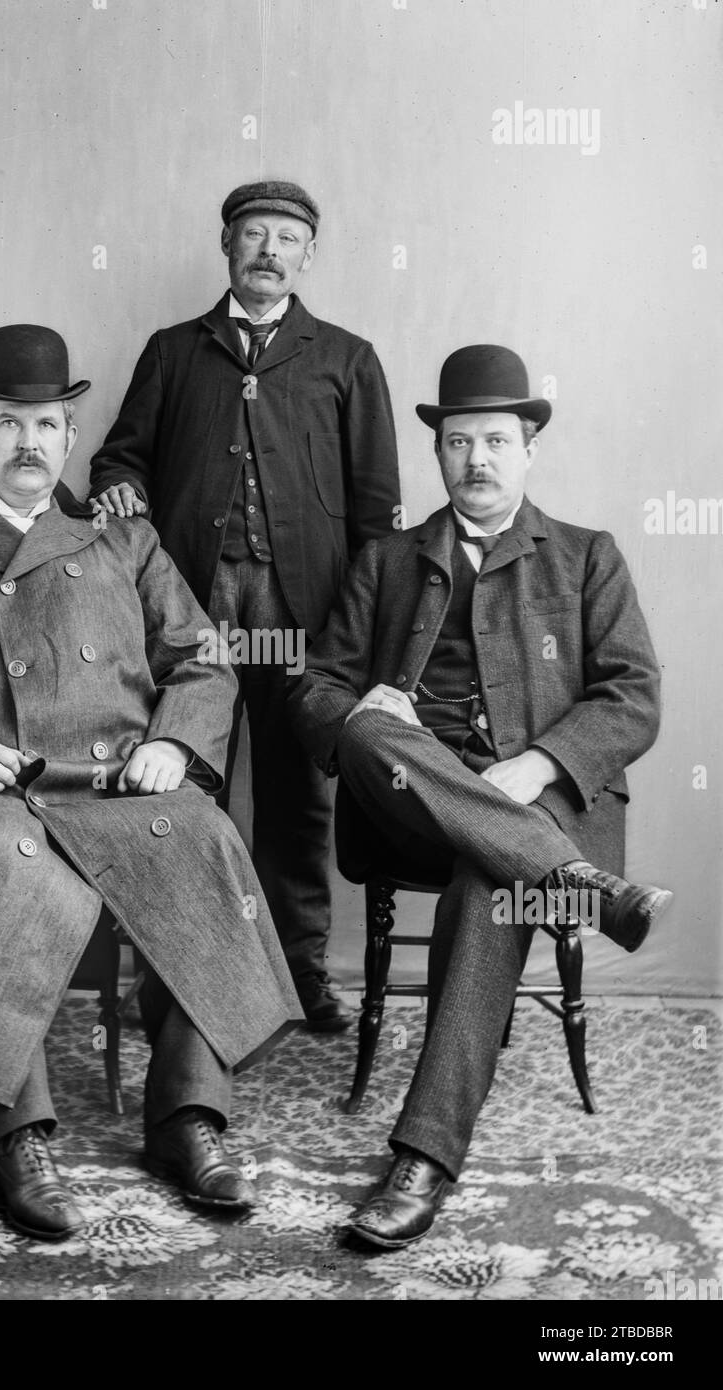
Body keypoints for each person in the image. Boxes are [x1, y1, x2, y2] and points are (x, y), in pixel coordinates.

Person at [0, 324, 302, 1242]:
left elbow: (204, 660)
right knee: (11, 859)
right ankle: (19, 1138)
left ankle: (186, 1117)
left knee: (203, 833)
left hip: (119, 781)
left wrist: (173, 742)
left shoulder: (124, 543)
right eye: (9, 423)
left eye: (47, 425)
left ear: (68, 433)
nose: (29, 444)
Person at [288, 344, 673, 1248]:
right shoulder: (388, 561)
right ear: (440, 453)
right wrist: (361, 708)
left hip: (539, 808)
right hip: (409, 810)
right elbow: (312, 687)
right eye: (459, 442)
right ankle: (588, 887)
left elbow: (633, 696)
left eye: (496, 440)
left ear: (529, 445)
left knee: (494, 875)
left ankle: (422, 1159)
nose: (478, 461)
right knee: (369, 725)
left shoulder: (584, 558)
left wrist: (539, 765)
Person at [88, 180, 401, 1030]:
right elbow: (119, 460)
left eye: (288, 237)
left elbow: (379, 515)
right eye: (253, 234)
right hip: (194, 609)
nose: (269, 249)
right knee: (188, 788)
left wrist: (365, 628)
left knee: (301, 794)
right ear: (226, 246)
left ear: (309, 255)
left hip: (304, 614)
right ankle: (191, 980)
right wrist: (119, 491)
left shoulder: (345, 357)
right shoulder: (174, 351)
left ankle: (300, 976)